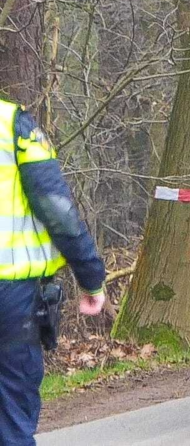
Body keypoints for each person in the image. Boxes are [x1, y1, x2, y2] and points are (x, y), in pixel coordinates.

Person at [0, 97, 106, 445]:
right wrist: (90, 276)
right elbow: (57, 209)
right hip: (10, 292)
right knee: (11, 410)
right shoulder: (12, 125)